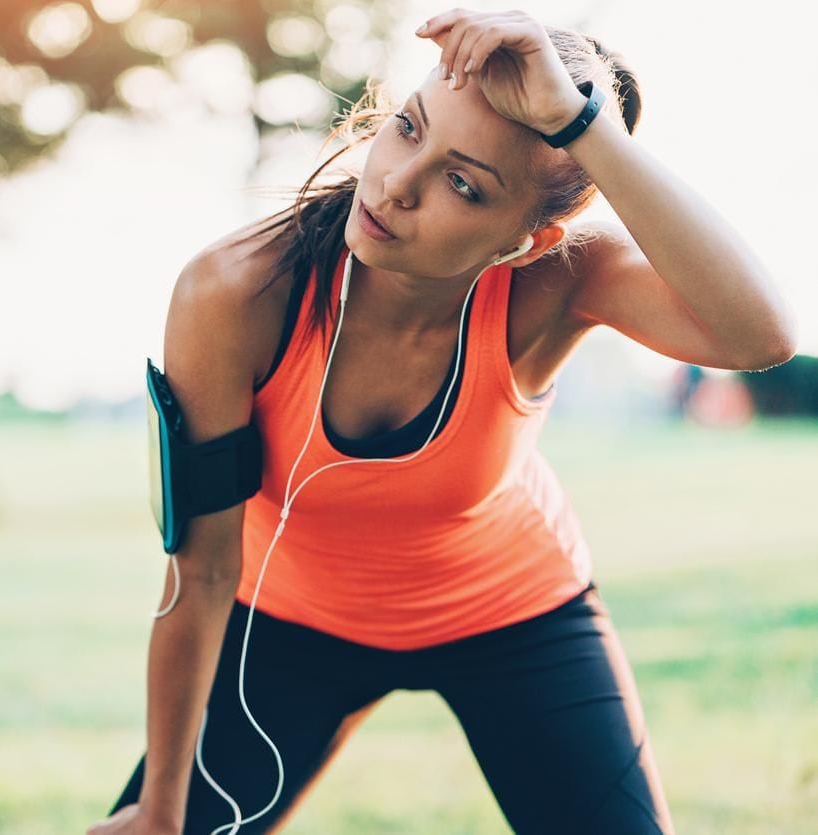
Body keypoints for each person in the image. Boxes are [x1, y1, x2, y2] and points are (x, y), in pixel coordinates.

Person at [87, 9, 797, 835]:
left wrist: (578, 125)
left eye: (463, 184)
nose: (392, 183)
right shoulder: (237, 291)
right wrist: (162, 809)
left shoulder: (558, 281)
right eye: (406, 129)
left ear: (529, 240)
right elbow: (201, 568)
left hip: (511, 615)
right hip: (286, 623)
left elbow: (761, 336)